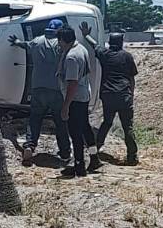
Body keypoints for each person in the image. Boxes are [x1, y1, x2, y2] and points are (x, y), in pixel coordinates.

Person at [9, 19, 69, 166]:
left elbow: (25, 45)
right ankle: (65, 152)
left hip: (38, 88)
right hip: (56, 89)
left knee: (35, 118)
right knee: (60, 122)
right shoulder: (61, 45)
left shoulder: (37, 41)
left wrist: (16, 41)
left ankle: (29, 145)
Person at [83, 24, 140, 166]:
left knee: (107, 122)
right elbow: (131, 78)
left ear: (110, 43)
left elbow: (94, 45)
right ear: (121, 43)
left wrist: (86, 35)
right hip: (124, 95)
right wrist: (131, 94)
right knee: (127, 126)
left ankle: (96, 149)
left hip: (108, 95)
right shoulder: (127, 56)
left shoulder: (105, 54)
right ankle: (132, 156)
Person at [56, 26, 98, 179]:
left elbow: (72, 83)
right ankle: (94, 157)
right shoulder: (81, 48)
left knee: (75, 133)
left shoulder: (71, 57)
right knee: (85, 127)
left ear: (63, 40)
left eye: (59, 41)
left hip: (75, 98)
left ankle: (79, 166)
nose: (58, 44)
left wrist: (65, 106)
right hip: (84, 95)